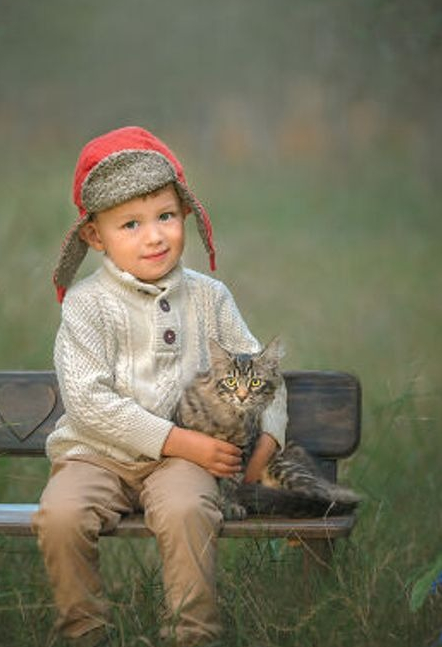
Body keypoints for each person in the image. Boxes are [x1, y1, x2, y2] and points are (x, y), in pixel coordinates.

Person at [34, 126, 288, 646]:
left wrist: (267, 444)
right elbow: (87, 403)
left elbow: (266, 374)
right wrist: (182, 440)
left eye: (166, 217)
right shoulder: (86, 305)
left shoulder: (209, 297)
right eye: (130, 224)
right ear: (94, 236)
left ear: (186, 215)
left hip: (183, 465)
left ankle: (191, 635)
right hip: (95, 454)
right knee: (60, 517)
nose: (154, 236)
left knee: (189, 510)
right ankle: (83, 633)